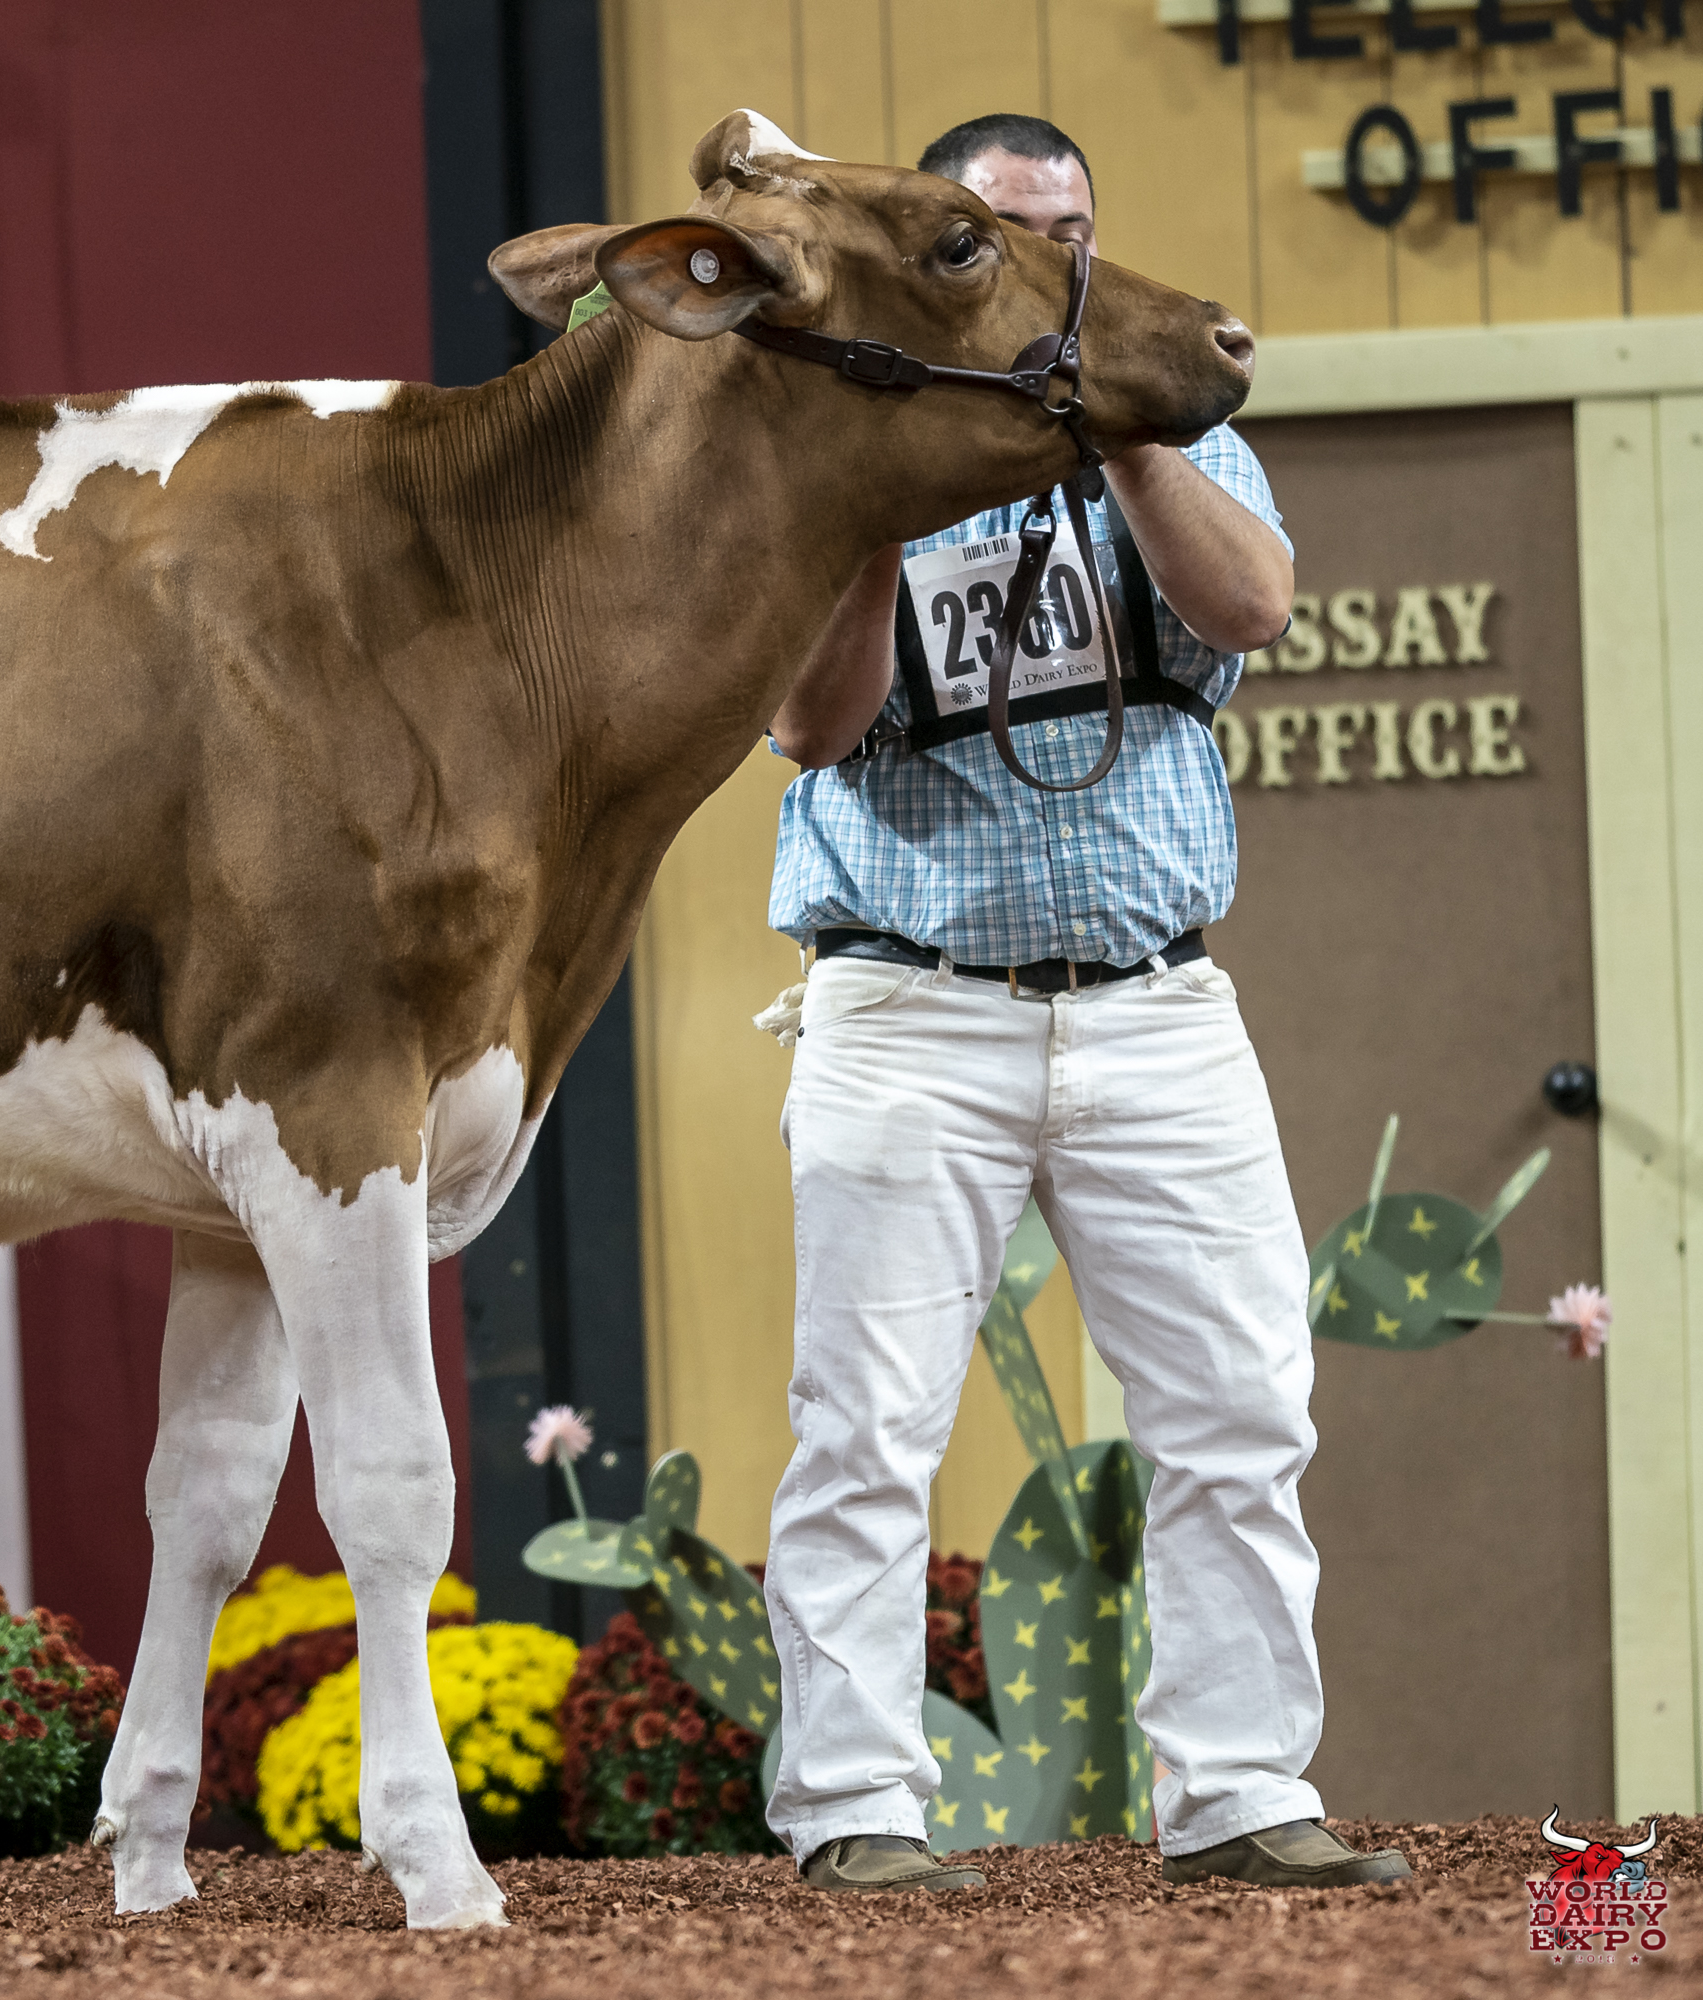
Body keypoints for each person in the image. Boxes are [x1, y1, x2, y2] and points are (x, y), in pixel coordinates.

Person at [757, 113, 1410, 1894]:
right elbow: (812, 725)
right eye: (1008, 233)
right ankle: (857, 1810)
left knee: (1240, 1415)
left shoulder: (1181, 426)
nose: (1053, 260)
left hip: (1157, 1008)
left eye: (1075, 233)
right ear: (943, 252)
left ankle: (1242, 1793)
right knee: (868, 1431)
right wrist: (888, 495)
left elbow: (1251, 606)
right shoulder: (847, 443)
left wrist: (1121, 426)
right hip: (909, 1007)